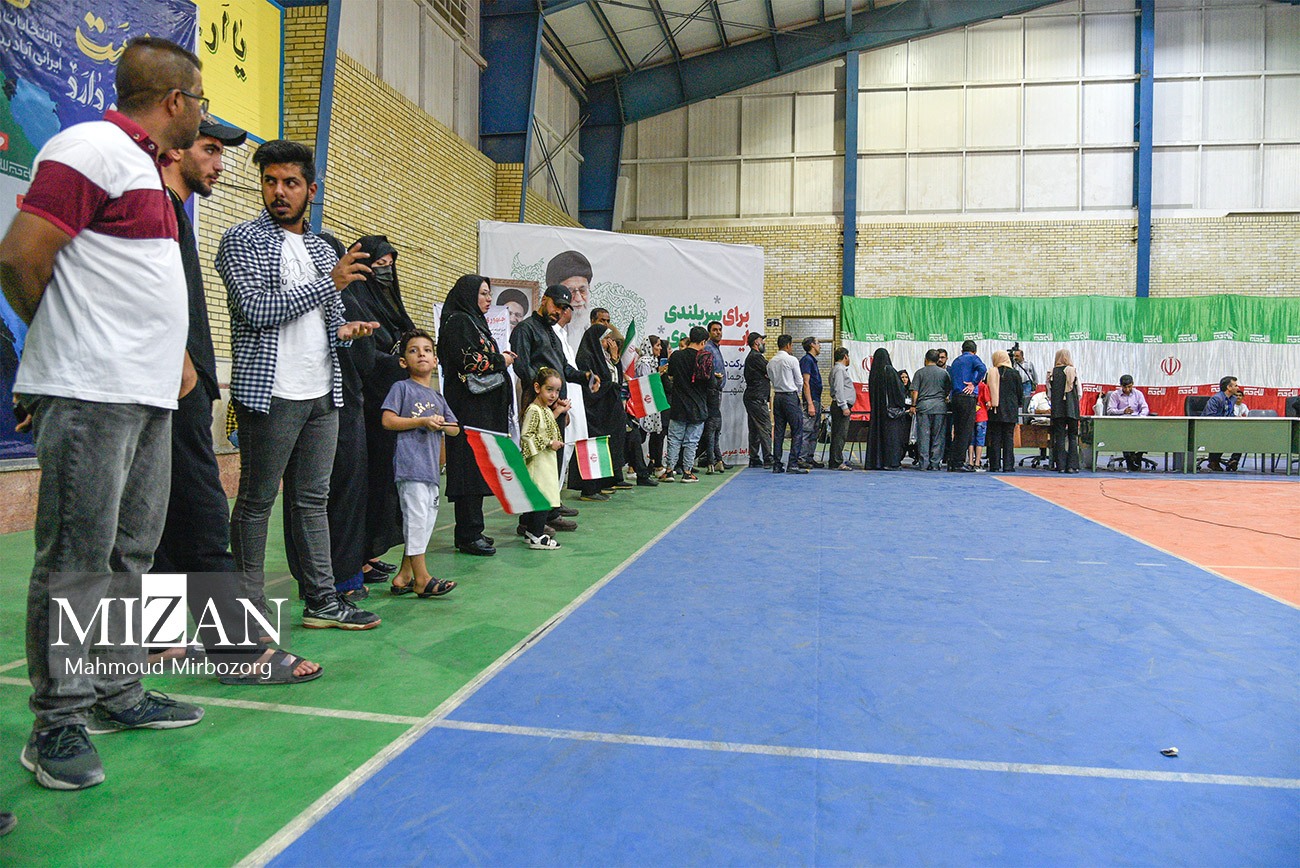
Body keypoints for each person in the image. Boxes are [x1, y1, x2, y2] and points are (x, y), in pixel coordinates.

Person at [0, 36, 209, 790]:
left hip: (145, 396)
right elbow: (20, 257)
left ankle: (117, 691)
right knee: (76, 562)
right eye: (201, 100)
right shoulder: (89, 147)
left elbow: (128, 282)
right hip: (93, 393)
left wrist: (171, 356)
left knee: (130, 555)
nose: (203, 114)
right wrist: (66, 346)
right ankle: (57, 723)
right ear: (176, 100)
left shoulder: (148, 169)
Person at [156, 118, 322, 683]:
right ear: (173, 146)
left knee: (156, 519)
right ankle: (238, 649)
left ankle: (154, 643)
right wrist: (181, 363)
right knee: (203, 518)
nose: (220, 164)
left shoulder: (168, 210)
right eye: (209, 149)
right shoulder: (151, 206)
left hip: (179, 387)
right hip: (170, 389)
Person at [218, 138, 382, 632]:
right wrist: (330, 283)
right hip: (271, 393)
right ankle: (247, 612)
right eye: (270, 181)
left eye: (290, 182)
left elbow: (323, 318)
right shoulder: (241, 240)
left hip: (322, 393)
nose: (278, 191)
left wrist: (345, 331)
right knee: (256, 503)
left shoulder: (320, 248)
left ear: (311, 190)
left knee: (312, 501)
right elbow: (257, 309)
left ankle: (322, 602)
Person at [346, 235, 415, 578]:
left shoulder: (389, 303)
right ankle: (356, 556)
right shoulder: (355, 299)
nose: (385, 272)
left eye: (390, 266)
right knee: (365, 480)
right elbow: (363, 353)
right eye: (378, 265)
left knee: (384, 481)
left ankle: (370, 551)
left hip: (392, 402)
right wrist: (395, 361)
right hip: (368, 406)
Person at [439, 275, 518, 555]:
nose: (488, 299)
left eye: (489, 294)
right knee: (469, 470)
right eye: (483, 293)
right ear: (468, 294)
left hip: (479, 410)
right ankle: (468, 534)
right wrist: (501, 360)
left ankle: (474, 529)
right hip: (468, 410)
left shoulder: (474, 322)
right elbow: (469, 361)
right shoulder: (459, 321)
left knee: (479, 468)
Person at [381, 329, 459, 597]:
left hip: (430, 472)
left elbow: (454, 429)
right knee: (415, 521)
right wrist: (422, 421)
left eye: (427, 350)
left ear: (435, 360)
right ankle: (422, 579)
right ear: (404, 361)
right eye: (413, 351)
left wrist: (443, 424)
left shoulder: (438, 398)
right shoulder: (401, 388)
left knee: (424, 524)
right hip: (410, 467)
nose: (421, 355)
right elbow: (388, 420)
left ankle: (403, 576)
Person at [518, 367, 569, 550]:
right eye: (549, 390)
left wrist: (559, 411)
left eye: (557, 391)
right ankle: (537, 535)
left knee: (544, 498)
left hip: (546, 463)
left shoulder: (545, 409)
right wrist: (548, 443)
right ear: (537, 388)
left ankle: (531, 533)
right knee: (542, 499)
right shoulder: (533, 409)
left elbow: (546, 425)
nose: (553, 395)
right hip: (538, 463)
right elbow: (526, 435)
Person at [576, 324, 625, 500]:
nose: (608, 343)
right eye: (605, 339)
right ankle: (589, 489)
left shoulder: (603, 357)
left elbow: (616, 379)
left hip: (606, 409)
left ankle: (602, 483)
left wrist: (615, 358)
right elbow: (591, 386)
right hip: (594, 411)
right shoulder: (586, 357)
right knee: (593, 449)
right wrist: (609, 386)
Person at [659, 326, 711, 483]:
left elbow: (671, 374)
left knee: (674, 439)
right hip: (698, 406)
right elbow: (711, 383)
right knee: (691, 442)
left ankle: (669, 471)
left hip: (679, 405)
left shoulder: (676, 356)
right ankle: (687, 472)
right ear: (703, 342)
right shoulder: (705, 358)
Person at [767, 335, 808, 474]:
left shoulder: (771, 362)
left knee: (779, 432)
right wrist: (797, 392)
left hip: (777, 397)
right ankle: (793, 464)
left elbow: (771, 379)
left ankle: (777, 464)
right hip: (790, 396)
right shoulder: (792, 360)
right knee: (797, 430)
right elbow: (799, 380)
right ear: (788, 345)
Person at [945, 341, 986, 473]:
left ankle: (952, 461)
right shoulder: (973, 358)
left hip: (956, 397)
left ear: (962, 350)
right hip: (967, 397)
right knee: (966, 431)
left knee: (957, 430)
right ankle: (958, 462)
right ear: (975, 351)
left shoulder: (956, 361)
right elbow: (983, 369)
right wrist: (974, 383)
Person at [865, 348, 908, 470]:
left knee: (877, 437)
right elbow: (899, 392)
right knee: (892, 438)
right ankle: (891, 462)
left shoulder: (873, 374)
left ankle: (876, 462)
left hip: (877, 413)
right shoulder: (889, 370)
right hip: (890, 415)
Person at [910, 350, 951, 471]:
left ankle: (923, 463)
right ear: (938, 359)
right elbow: (948, 389)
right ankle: (935, 463)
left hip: (923, 408)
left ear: (926, 359)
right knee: (938, 437)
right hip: (940, 407)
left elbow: (915, 391)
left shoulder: (919, 373)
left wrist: (913, 405)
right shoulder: (944, 373)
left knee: (924, 436)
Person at [546, 250, 593, 351]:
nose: (578, 299)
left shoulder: (592, 331)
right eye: (570, 292)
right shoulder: (543, 332)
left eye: (582, 290)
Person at [986, 349, 1023, 473]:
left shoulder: (991, 373)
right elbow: (1020, 392)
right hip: (1010, 410)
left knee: (995, 438)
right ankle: (1008, 466)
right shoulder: (1015, 373)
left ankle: (994, 465)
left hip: (994, 410)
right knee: (1008, 438)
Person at [699, 320, 727, 473]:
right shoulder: (708, 348)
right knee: (710, 427)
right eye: (715, 330)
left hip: (717, 392)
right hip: (710, 393)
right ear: (709, 332)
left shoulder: (716, 348)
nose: (718, 332)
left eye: (720, 330)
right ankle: (711, 460)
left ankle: (716, 459)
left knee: (715, 427)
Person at [1106, 374, 1150, 471]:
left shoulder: (1138, 394)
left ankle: (1138, 455)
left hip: (1137, 422)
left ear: (1132, 384)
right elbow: (1110, 411)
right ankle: (1129, 457)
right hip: (1122, 423)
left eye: (1129, 387)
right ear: (1121, 386)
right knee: (1126, 434)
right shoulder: (1115, 395)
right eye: (1124, 387)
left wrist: (1141, 417)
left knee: (1147, 432)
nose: (1127, 389)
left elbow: (1145, 408)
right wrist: (1123, 411)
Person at [743, 332, 773, 468]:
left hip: (752, 397)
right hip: (757, 398)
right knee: (765, 427)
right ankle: (768, 458)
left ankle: (754, 458)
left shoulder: (752, 357)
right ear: (756, 342)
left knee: (755, 429)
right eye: (762, 340)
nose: (764, 343)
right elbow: (770, 371)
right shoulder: (756, 357)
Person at [1202, 376, 1245, 472]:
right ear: (1229, 387)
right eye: (1235, 385)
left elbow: (1229, 414)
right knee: (1221, 433)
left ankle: (1234, 461)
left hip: (1225, 427)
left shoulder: (1233, 399)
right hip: (1210, 428)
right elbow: (1209, 416)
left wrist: (1235, 418)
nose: (1238, 388)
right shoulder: (1216, 399)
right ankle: (1213, 461)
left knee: (1242, 434)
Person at [1049, 349, 1082, 473]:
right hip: (1072, 408)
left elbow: (1049, 393)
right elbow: (1079, 392)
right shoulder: (1073, 371)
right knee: (1073, 437)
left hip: (1057, 409)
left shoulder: (1051, 372)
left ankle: (1061, 466)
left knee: (1060, 437)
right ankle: (1072, 466)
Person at [799, 337, 824, 468]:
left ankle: (809, 457)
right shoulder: (807, 360)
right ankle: (801, 458)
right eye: (818, 343)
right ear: (812, 345)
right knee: (807, 431)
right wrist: (810, 403)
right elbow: (806, 383)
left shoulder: (813, 361)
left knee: (814, 431)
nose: (820, 346)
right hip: (811, 401)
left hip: (816, 400)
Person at [828, 347, 855, 470]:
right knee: (840, 434)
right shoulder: (839, 370)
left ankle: (834, 460)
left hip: (839, 405)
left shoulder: (838, 369)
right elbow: (839, 389)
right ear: (845, 356)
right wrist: (844, 406)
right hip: (841, 406)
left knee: (838, 434)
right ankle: (837, 461)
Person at [970, 379, 990, 471]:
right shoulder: (983, 386)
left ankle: (970, 461)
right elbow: (988, 403)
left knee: (971, 440)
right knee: (980, 440)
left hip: (971, 415)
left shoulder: (969, 386)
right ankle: (977, 462)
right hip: (981, 415)